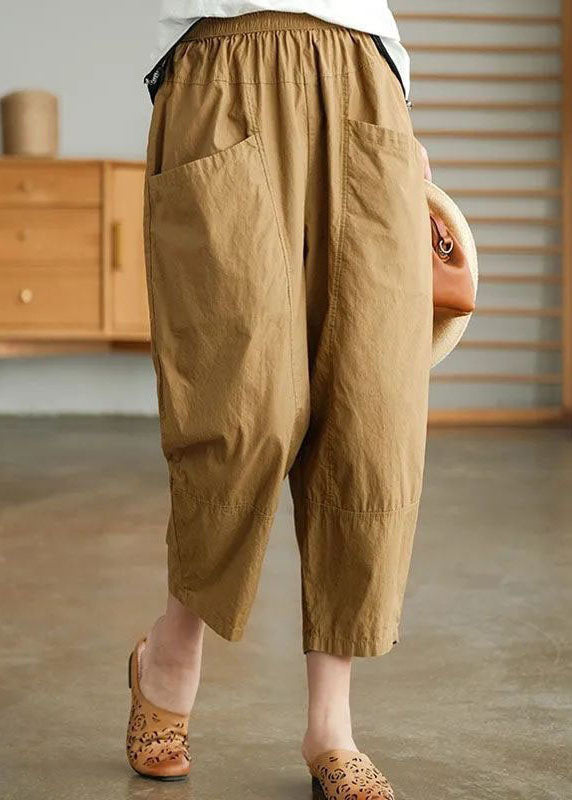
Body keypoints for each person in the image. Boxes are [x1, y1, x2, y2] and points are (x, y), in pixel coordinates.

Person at [127, 2, 433, 797]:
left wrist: (398, 107)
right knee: (239, 412)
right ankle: (171, 650)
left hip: (363, 75)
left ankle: (331, 727)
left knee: (370, 416)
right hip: (219, 68)